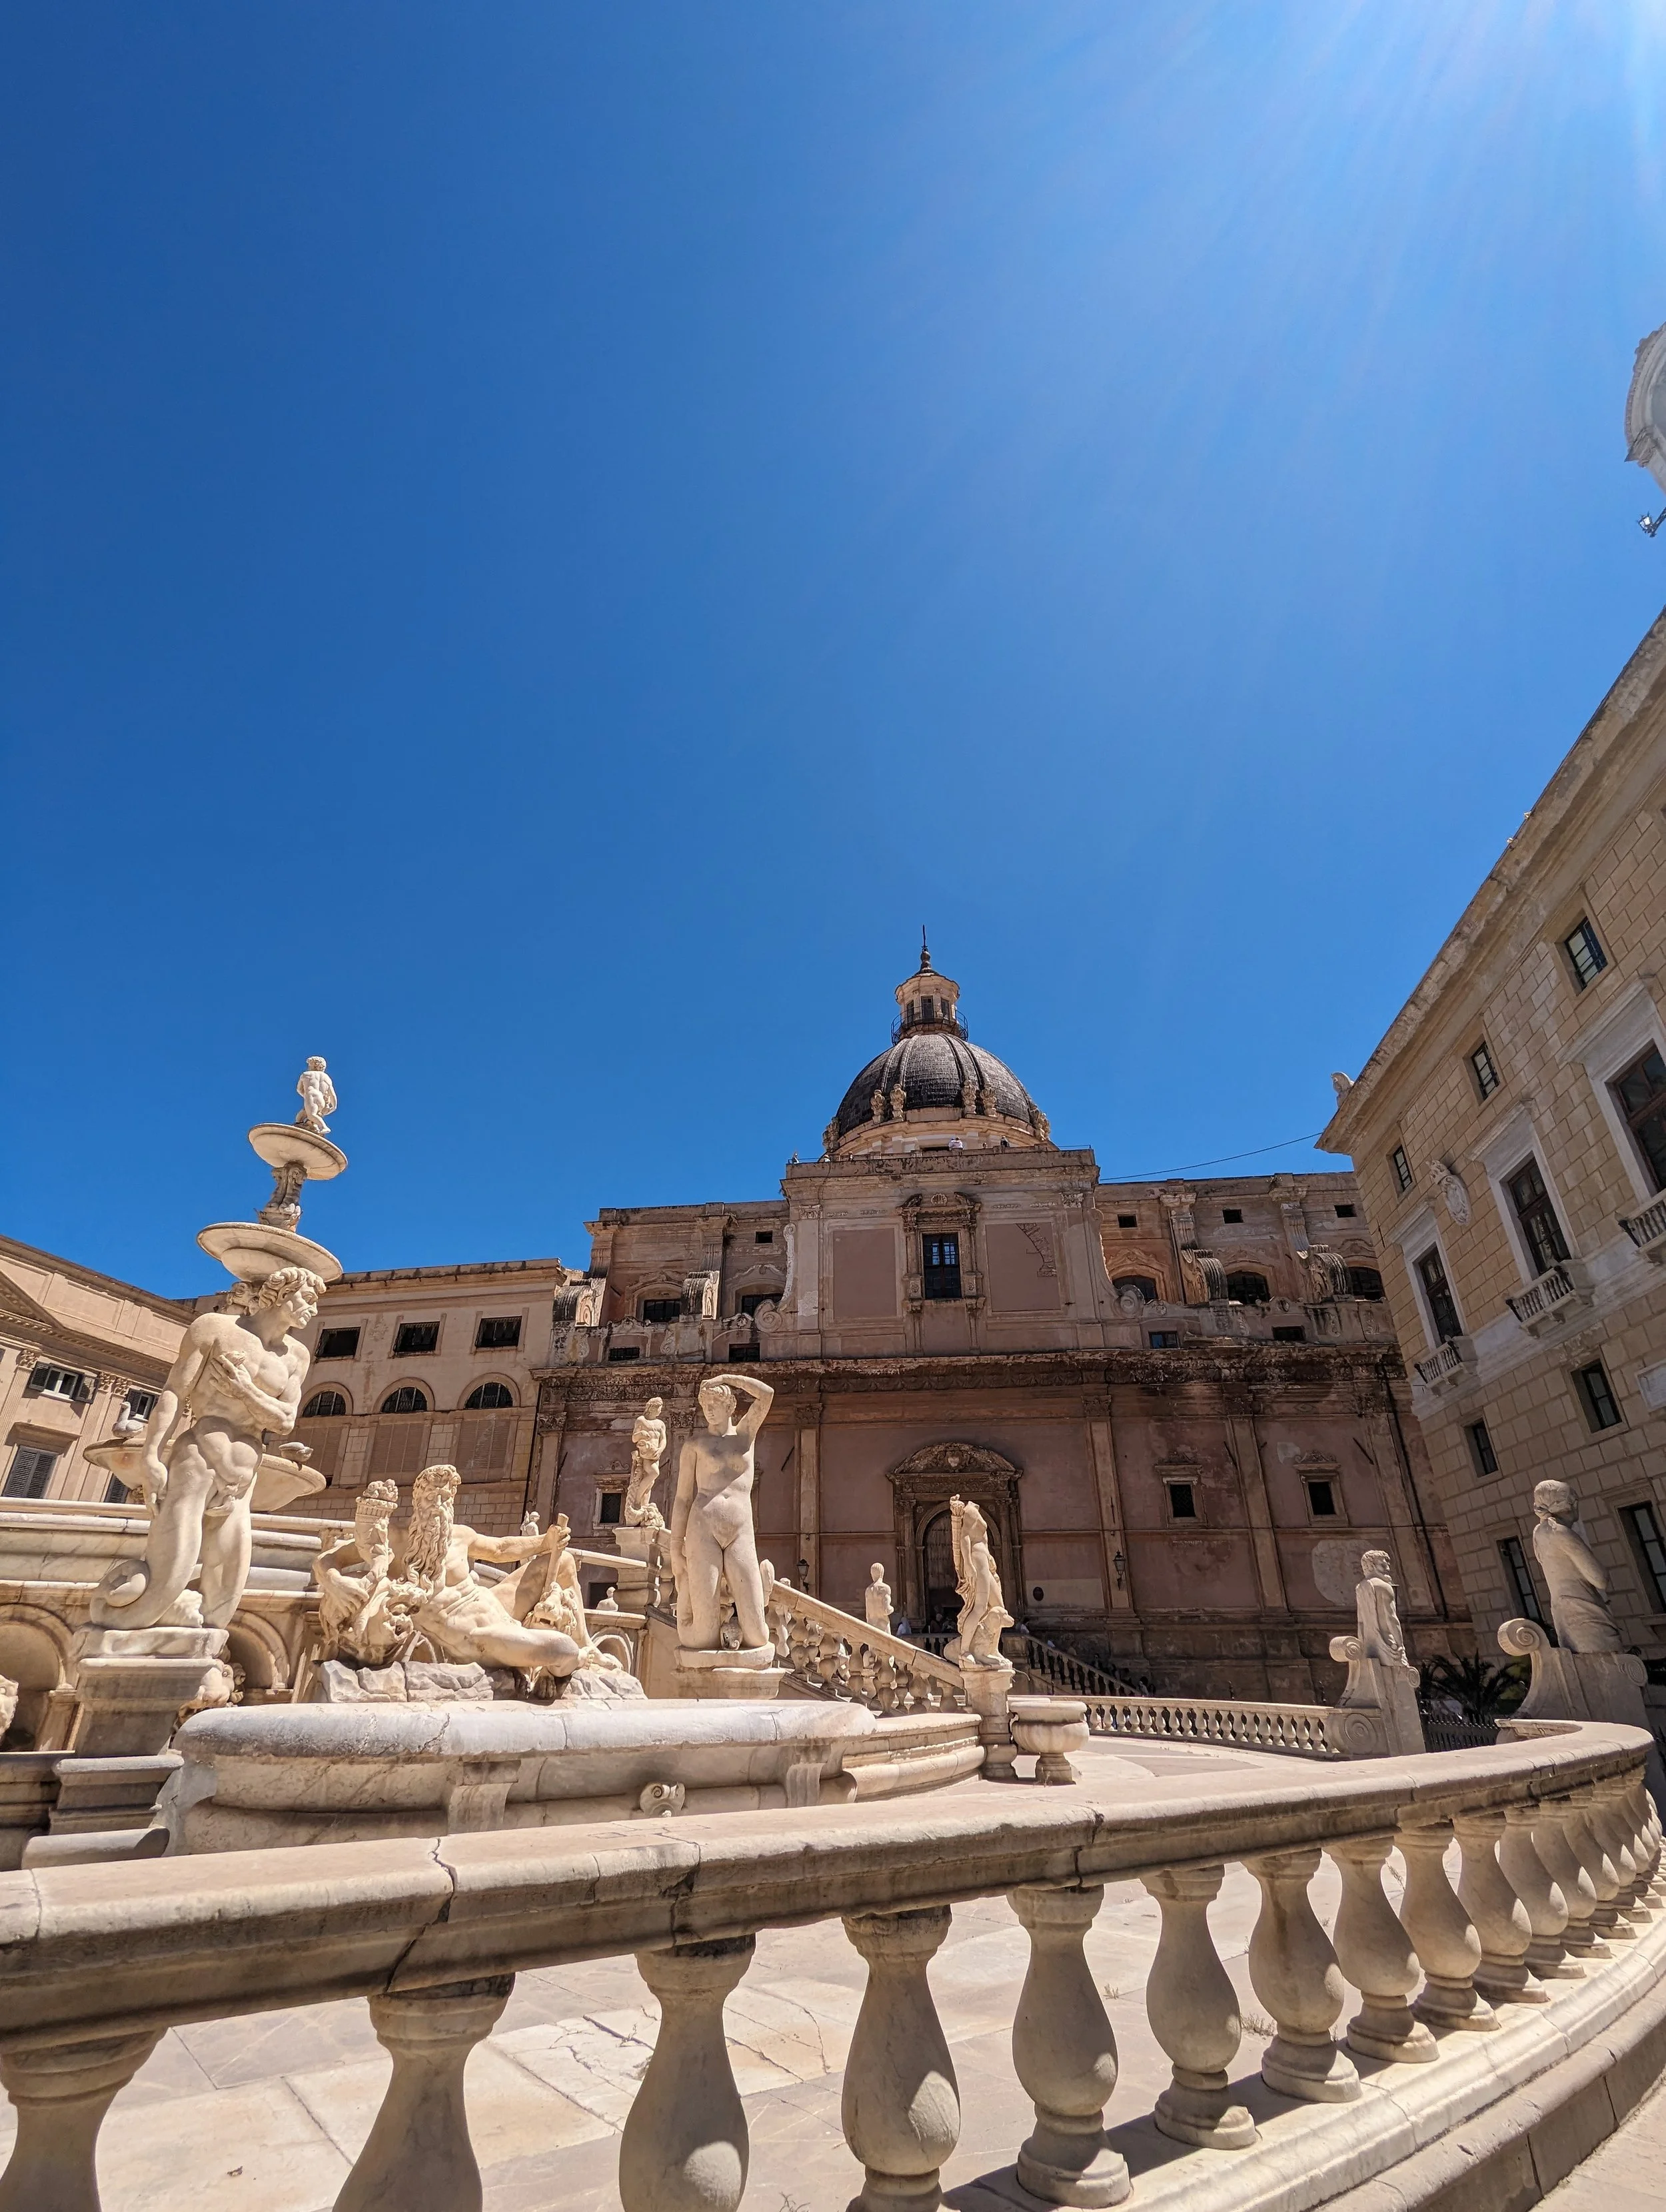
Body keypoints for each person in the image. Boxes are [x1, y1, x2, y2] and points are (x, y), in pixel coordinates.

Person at [91, 1265, 323, 1630]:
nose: (314, 1310)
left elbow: (285, 1421)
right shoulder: (214, 1329)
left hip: (245, 1466)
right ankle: (120, 1621)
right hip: (199, 1452)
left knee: (232, 1574)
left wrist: (245, 1389)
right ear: (281, 1294)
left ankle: (204, 1640)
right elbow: (174, 1392)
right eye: (308, 1299)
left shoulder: (296, 1356)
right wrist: (152, 1455)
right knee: (175, 1562)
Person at [671, 1372, 774, 1652]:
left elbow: (767, 1395)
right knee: (702, 1638)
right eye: (705, 1404)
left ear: (731, 1406)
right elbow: (682, 1499)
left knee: (758, 1637)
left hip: (740, 1530)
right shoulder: (695, 1445)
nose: (709, 1409)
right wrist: (674, 1549)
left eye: (715, 1402)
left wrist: (728, 1377)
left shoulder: (745, 1436)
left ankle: (762, 1588)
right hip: (702, 1527)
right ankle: (688, 1587)